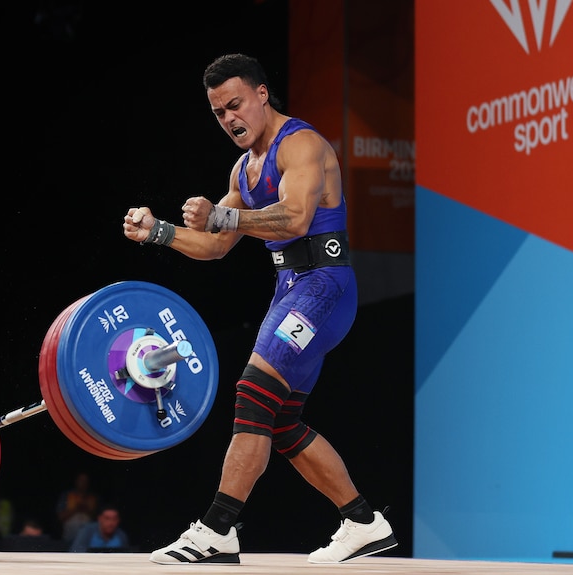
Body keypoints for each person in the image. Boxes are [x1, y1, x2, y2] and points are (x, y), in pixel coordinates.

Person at [122, 53, 397, 565]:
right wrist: (158, 232)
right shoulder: (243, 170)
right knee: (282, 419)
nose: (229, 118)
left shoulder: (302, 145)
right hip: (292, 290)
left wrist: (224, 214)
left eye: (235, 104)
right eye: (218, 112)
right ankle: (364, 522)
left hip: (324, 289)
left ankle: (217, 529)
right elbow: (216, 246)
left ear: (261, 94)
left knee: (253, 393)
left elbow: (294, 219)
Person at [55, 471, 98, 544]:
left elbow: (99, 520)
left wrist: (86, 509)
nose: (83, 483)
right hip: (70, 534)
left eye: (85, 481)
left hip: (89, 535)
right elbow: (60, 517)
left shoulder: (93, 497)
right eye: (81, 480)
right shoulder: (67, 495)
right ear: (76, 481)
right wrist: (76, 509)